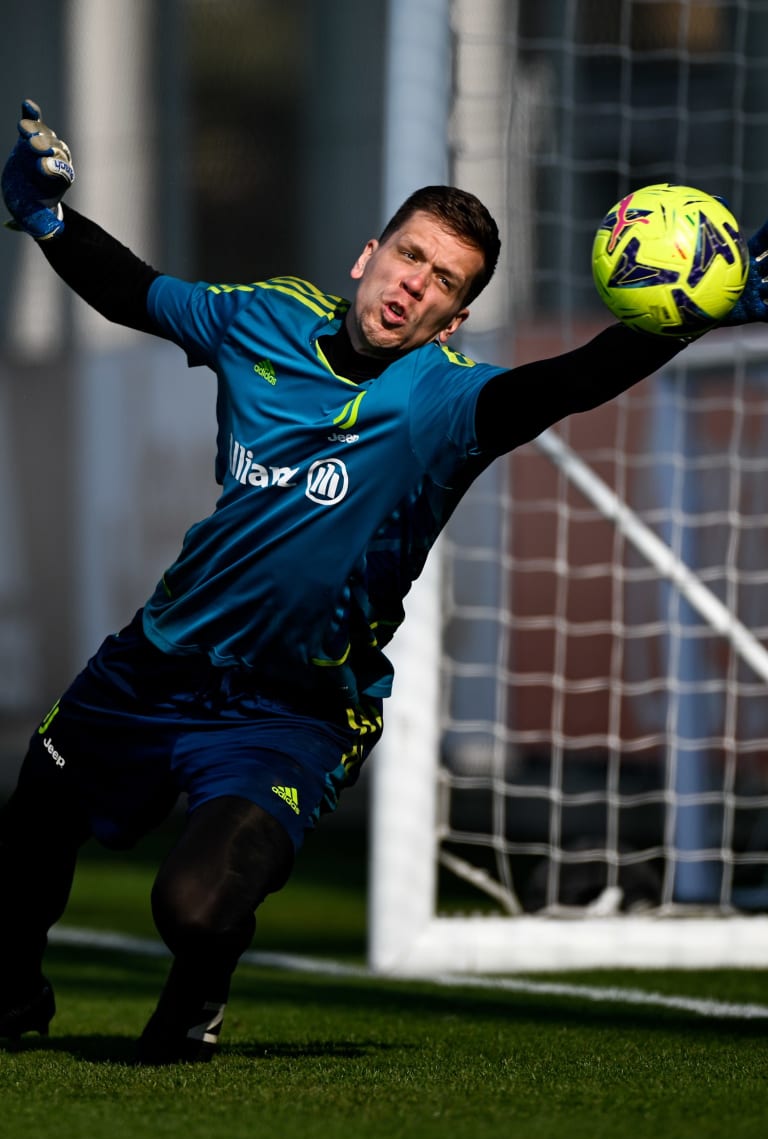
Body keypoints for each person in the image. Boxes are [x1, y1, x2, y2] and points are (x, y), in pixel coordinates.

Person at [1, 100, 767, 1065]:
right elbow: (136, 293)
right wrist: (45, 219)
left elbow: (562, 384)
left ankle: (196, 1000)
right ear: (370, 255)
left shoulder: (445, 401)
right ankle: (13, 991)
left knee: (194, 906)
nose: (415, 286)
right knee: (29, 832)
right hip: (151, 667)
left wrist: (681, 326)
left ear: (458, 315)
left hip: (291, 707)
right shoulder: (264, 318)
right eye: (410, 256)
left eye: (444, 281)